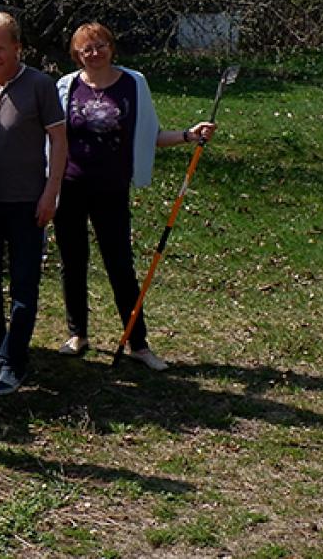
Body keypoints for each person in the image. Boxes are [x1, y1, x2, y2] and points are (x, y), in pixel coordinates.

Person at [54, 23, 215, 370]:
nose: (94, 54)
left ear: (112, 47)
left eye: (100, 46)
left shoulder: (133, 84)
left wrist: (189, 135)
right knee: (72, 261)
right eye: (86, 49)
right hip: (69, 186)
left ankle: (137, 343)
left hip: (112, 188)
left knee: (120, 265)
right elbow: (53, 138)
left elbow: (151, 135)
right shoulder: (66, 87)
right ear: (76, 55)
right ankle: (77, 334)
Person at [0, 11, 68, 395]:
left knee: (24, 286)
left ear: (17, 47)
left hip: (27, 202)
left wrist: (50, 193)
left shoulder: (40, 85)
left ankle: (13, 361)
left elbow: (58, 142)